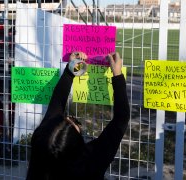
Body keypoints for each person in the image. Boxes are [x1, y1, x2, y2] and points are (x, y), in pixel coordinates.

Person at [26, 52, 130, 180]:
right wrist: (118, 75)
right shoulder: (91, 161)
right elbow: (121, 119)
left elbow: (56, 104)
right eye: (74, 123)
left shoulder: (40, 150)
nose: (70, 118)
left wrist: (71, 69)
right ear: (75, 145)